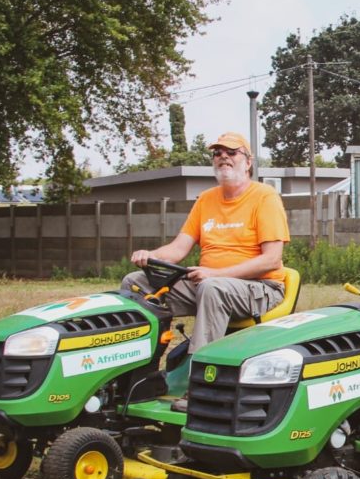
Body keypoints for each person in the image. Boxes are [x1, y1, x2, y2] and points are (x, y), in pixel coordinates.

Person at [122, 132, 290, 356]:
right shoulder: (206, 199)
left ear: (248, 162)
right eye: (217, 153)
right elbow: (178, 249)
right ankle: (140, 361)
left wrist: (216, 274)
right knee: (135, 283)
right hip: (207, 284)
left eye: (232, 152)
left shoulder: (265, 197)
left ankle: (198, 374)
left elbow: (271, 260)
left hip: (259, 288)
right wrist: (150, 255)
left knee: (213, 288)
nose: (223, 157)